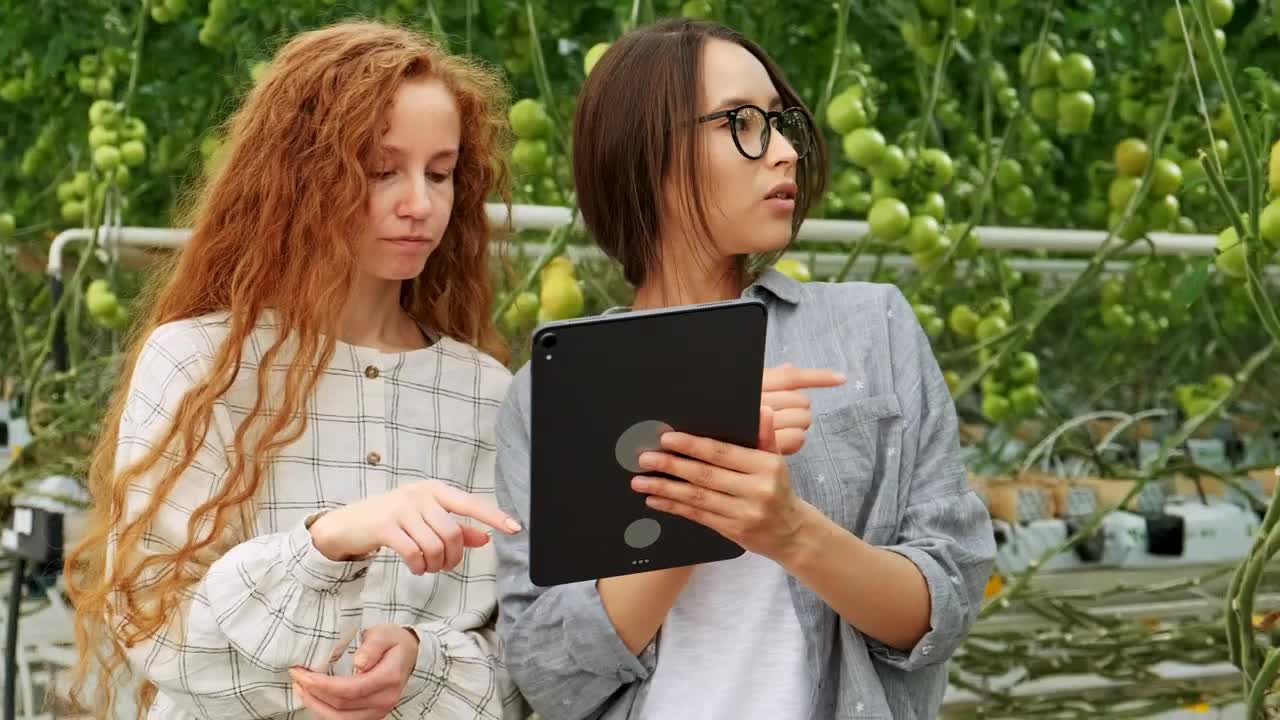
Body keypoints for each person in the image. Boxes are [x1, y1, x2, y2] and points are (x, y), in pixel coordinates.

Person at [492, 18, 997, 720]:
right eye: (743, 123)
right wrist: (698, 486)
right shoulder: (554, 392)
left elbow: (949, 600)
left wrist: (790, 529)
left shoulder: (871, 327)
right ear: (649, 150)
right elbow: (547, 676)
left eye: (781, 123)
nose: (785, 152)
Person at [64, 21, 529, 720]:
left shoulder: (488, 392)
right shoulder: (198, 364)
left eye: (440, 173)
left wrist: (417, 662)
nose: (420, 204)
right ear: (301, 178)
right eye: (381, 171)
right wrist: (325, 546)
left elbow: (521, 660)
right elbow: (152, 624)